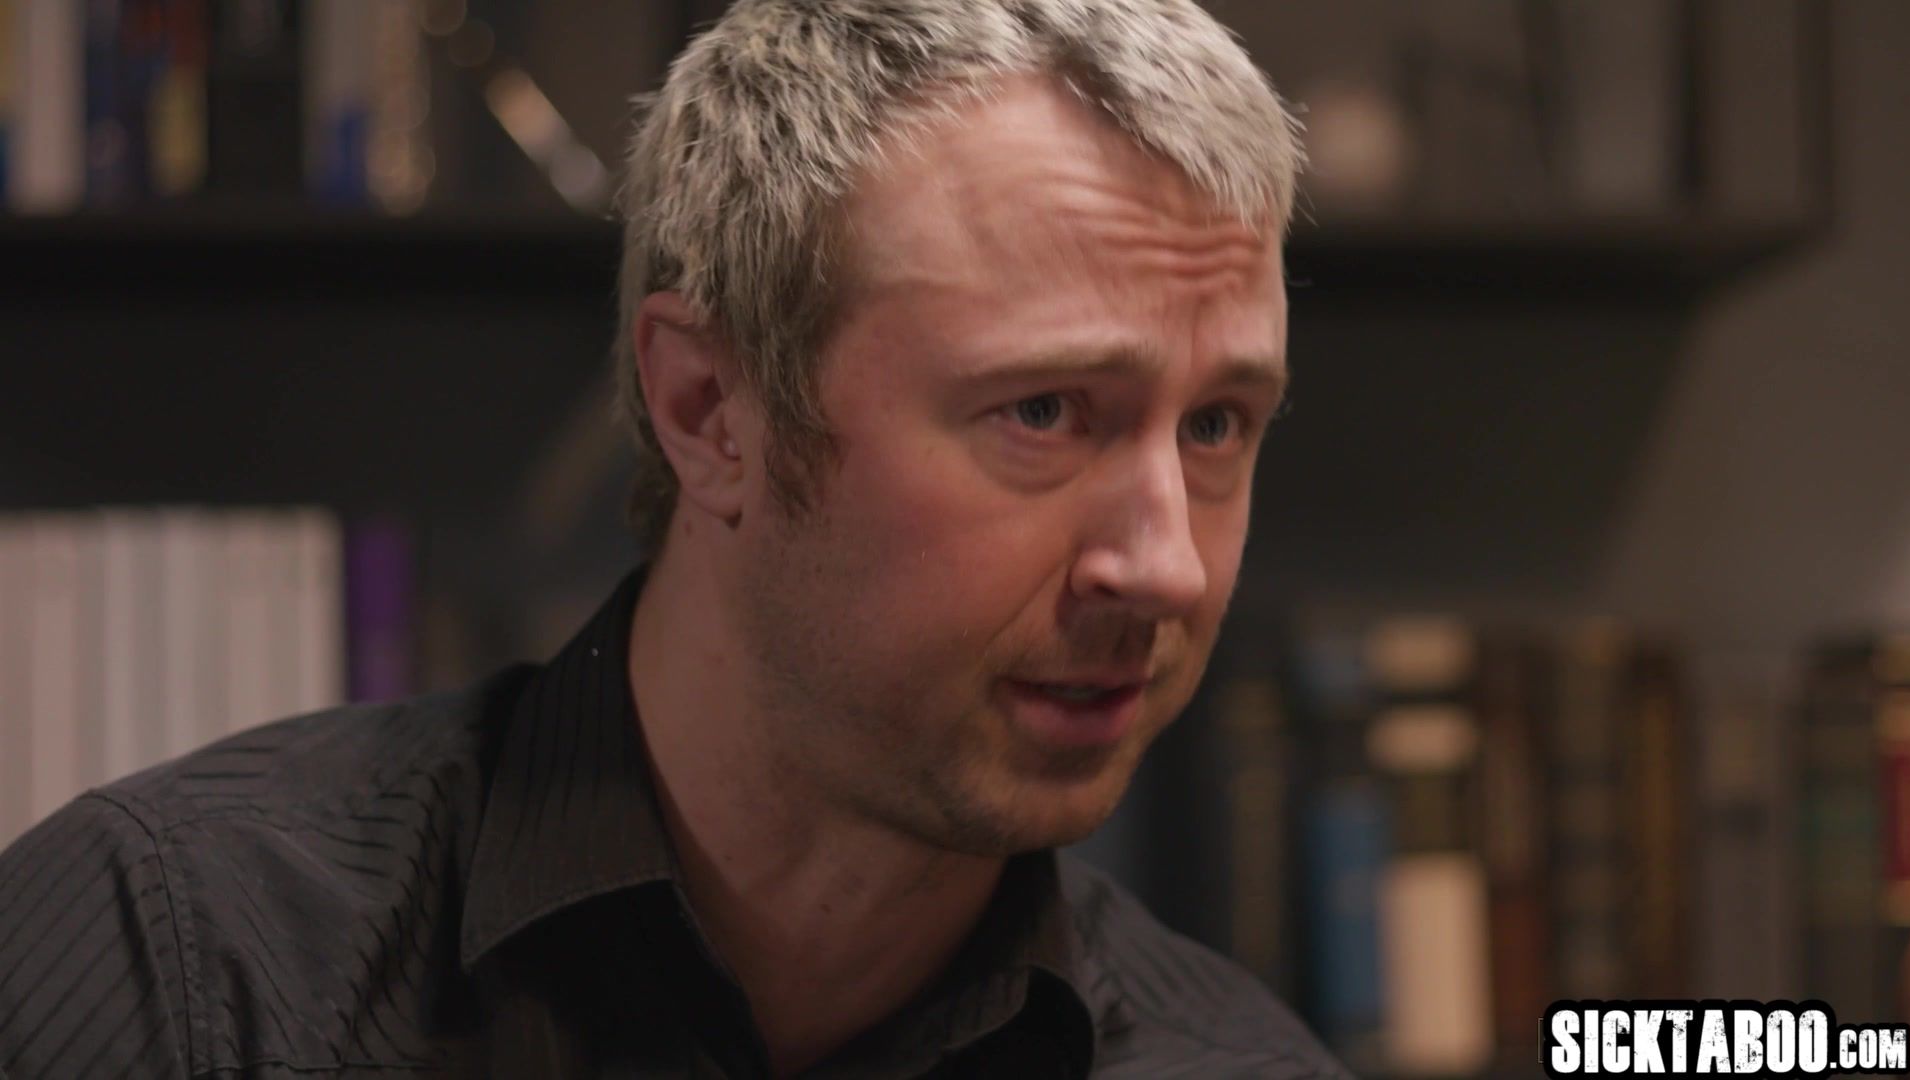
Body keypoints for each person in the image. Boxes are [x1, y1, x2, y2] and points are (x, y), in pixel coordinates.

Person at [0, 1, 1344, 1076]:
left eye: (1216, 425)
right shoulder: (181, 975)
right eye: (1044, 412)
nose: (1166, 566)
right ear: (709, 410)